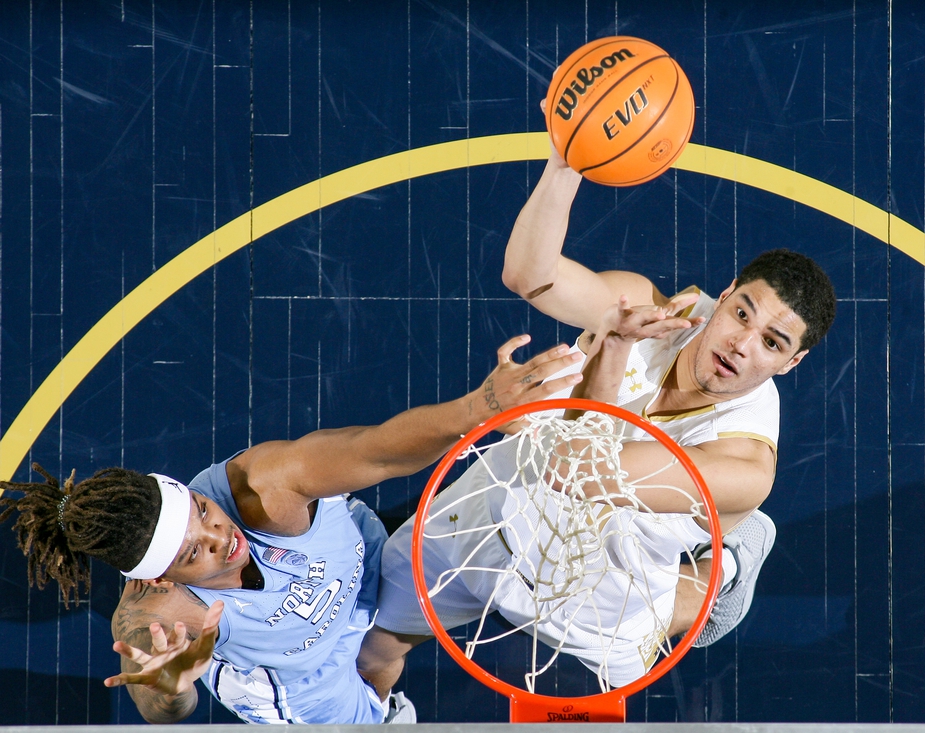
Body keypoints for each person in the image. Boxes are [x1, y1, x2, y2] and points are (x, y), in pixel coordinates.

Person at [357, 146, 837, 698]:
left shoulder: (744, 468)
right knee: (377, 644)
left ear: (790, 364)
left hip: (607, 583)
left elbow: (573, 471)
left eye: (772, 343)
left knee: (671, 607)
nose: (741, 344)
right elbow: (527, 275)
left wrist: (608, 352)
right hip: (493, 512)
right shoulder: (651, 305)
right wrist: (564, 165)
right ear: (723, 297)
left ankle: (726, 563)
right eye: (742, 314)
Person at [0, 334, 583, 725]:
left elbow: (375, 451)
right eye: (193, 554)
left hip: (365, 576)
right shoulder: (160, 614)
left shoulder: (259, 489)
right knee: (373, 701)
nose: (217, 536)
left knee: (387, 651)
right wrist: (174, 682)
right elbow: (158, 702)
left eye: (202, 513)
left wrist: (478, 405)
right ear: (160, 579)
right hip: (305, 684)